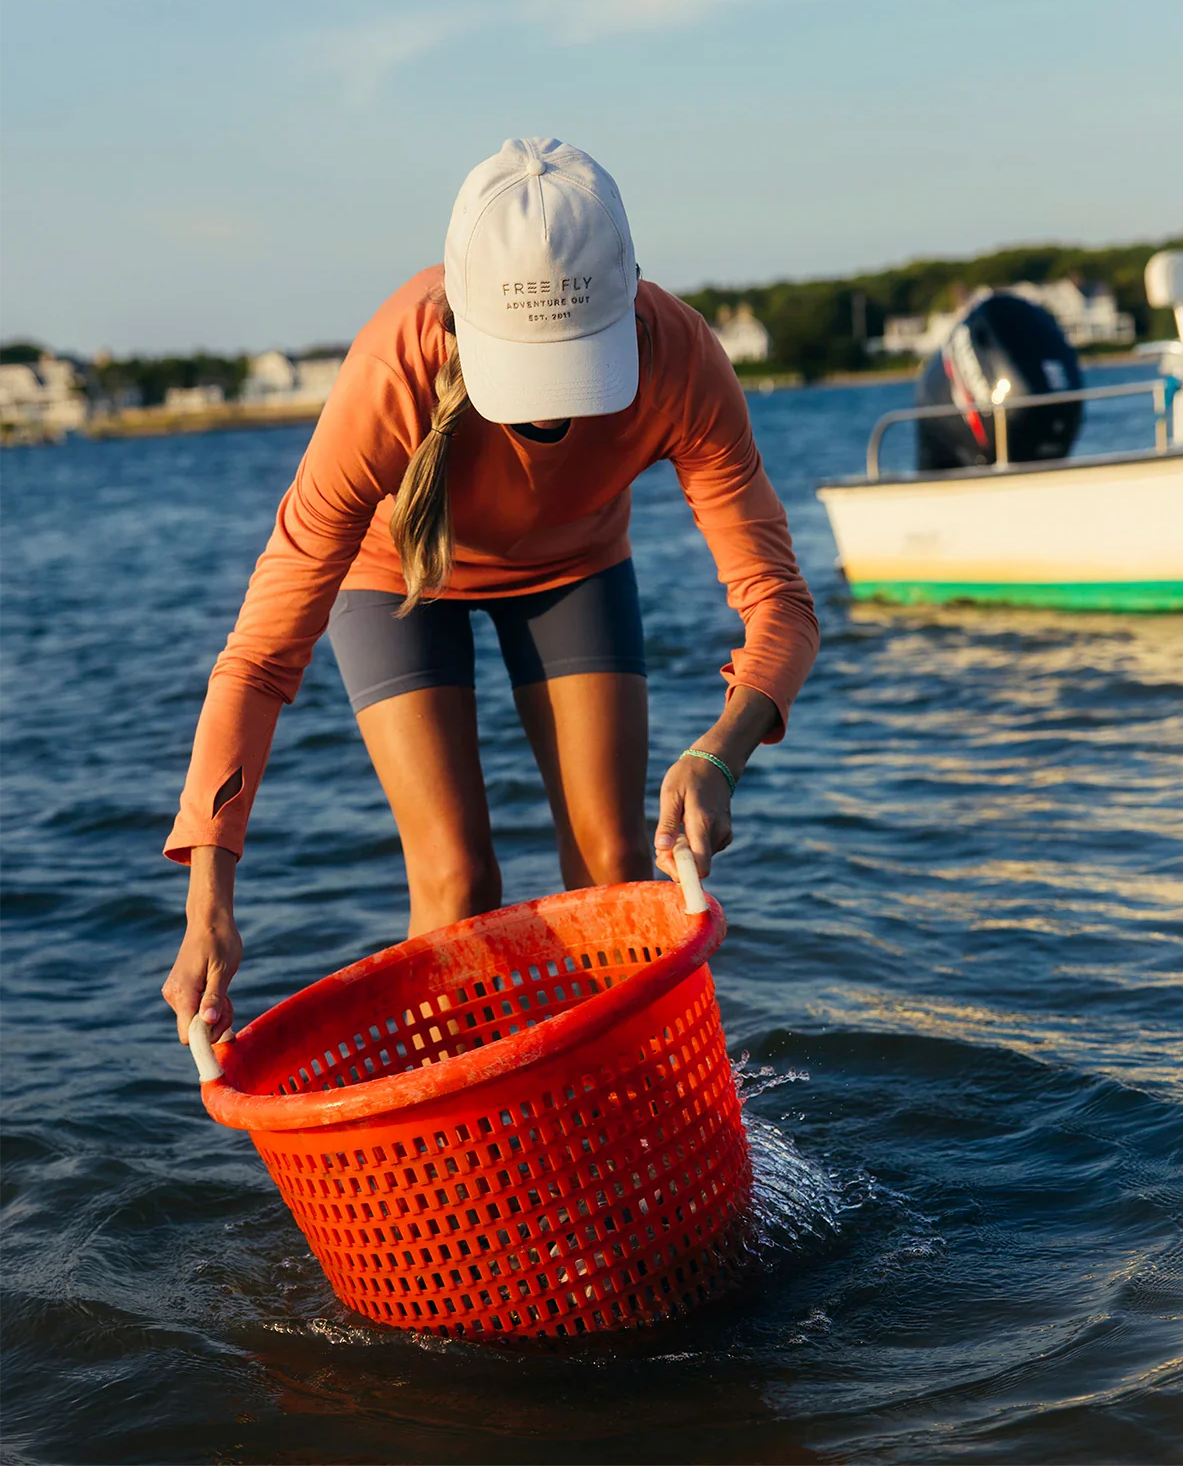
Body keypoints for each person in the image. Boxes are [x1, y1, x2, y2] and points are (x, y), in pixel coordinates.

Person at [161, 137, 819, 1046]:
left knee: (615, 866)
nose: (556, 413)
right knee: (456, 880)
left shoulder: (681, 359)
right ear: (457, 320)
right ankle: (466, 1134)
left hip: (576, 565)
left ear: (634, 295)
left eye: (580, 367)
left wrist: (719, 754)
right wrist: (209, 897)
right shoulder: (390, 372)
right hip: (397, 575)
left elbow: (779, 601)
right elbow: (261, 658)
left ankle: (630, 1101)